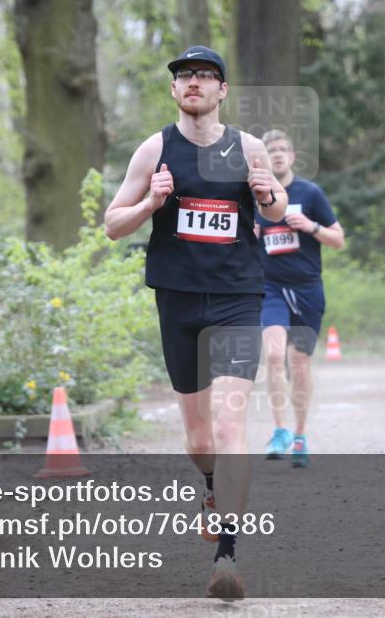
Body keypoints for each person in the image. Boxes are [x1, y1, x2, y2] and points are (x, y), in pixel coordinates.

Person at [104, 45, 287, 601]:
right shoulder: (155, 149)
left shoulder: (248, 147)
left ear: (222, 91)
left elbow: (277, 209)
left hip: (236, 297)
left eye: (205, 76)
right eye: (184, 75)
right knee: (200, 437)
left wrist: (267, 194)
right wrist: (149, 205)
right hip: (178, 302)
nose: (193, 83)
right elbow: (113, 224)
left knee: (231, 428)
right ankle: (210, 487)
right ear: (174, 88)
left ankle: (226, 556)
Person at [256, 129, 344, 468]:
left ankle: (300, 436)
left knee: (299, 363)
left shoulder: (310, 193)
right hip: (270, 288)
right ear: (263, 158)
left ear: (292, 156)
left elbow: (338, 239)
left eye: (282, 149)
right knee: (275, 356)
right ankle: (279, 429)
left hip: (307, 288)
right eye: (271, 150)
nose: (277, 154)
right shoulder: (255, 195)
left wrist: (309, 226)